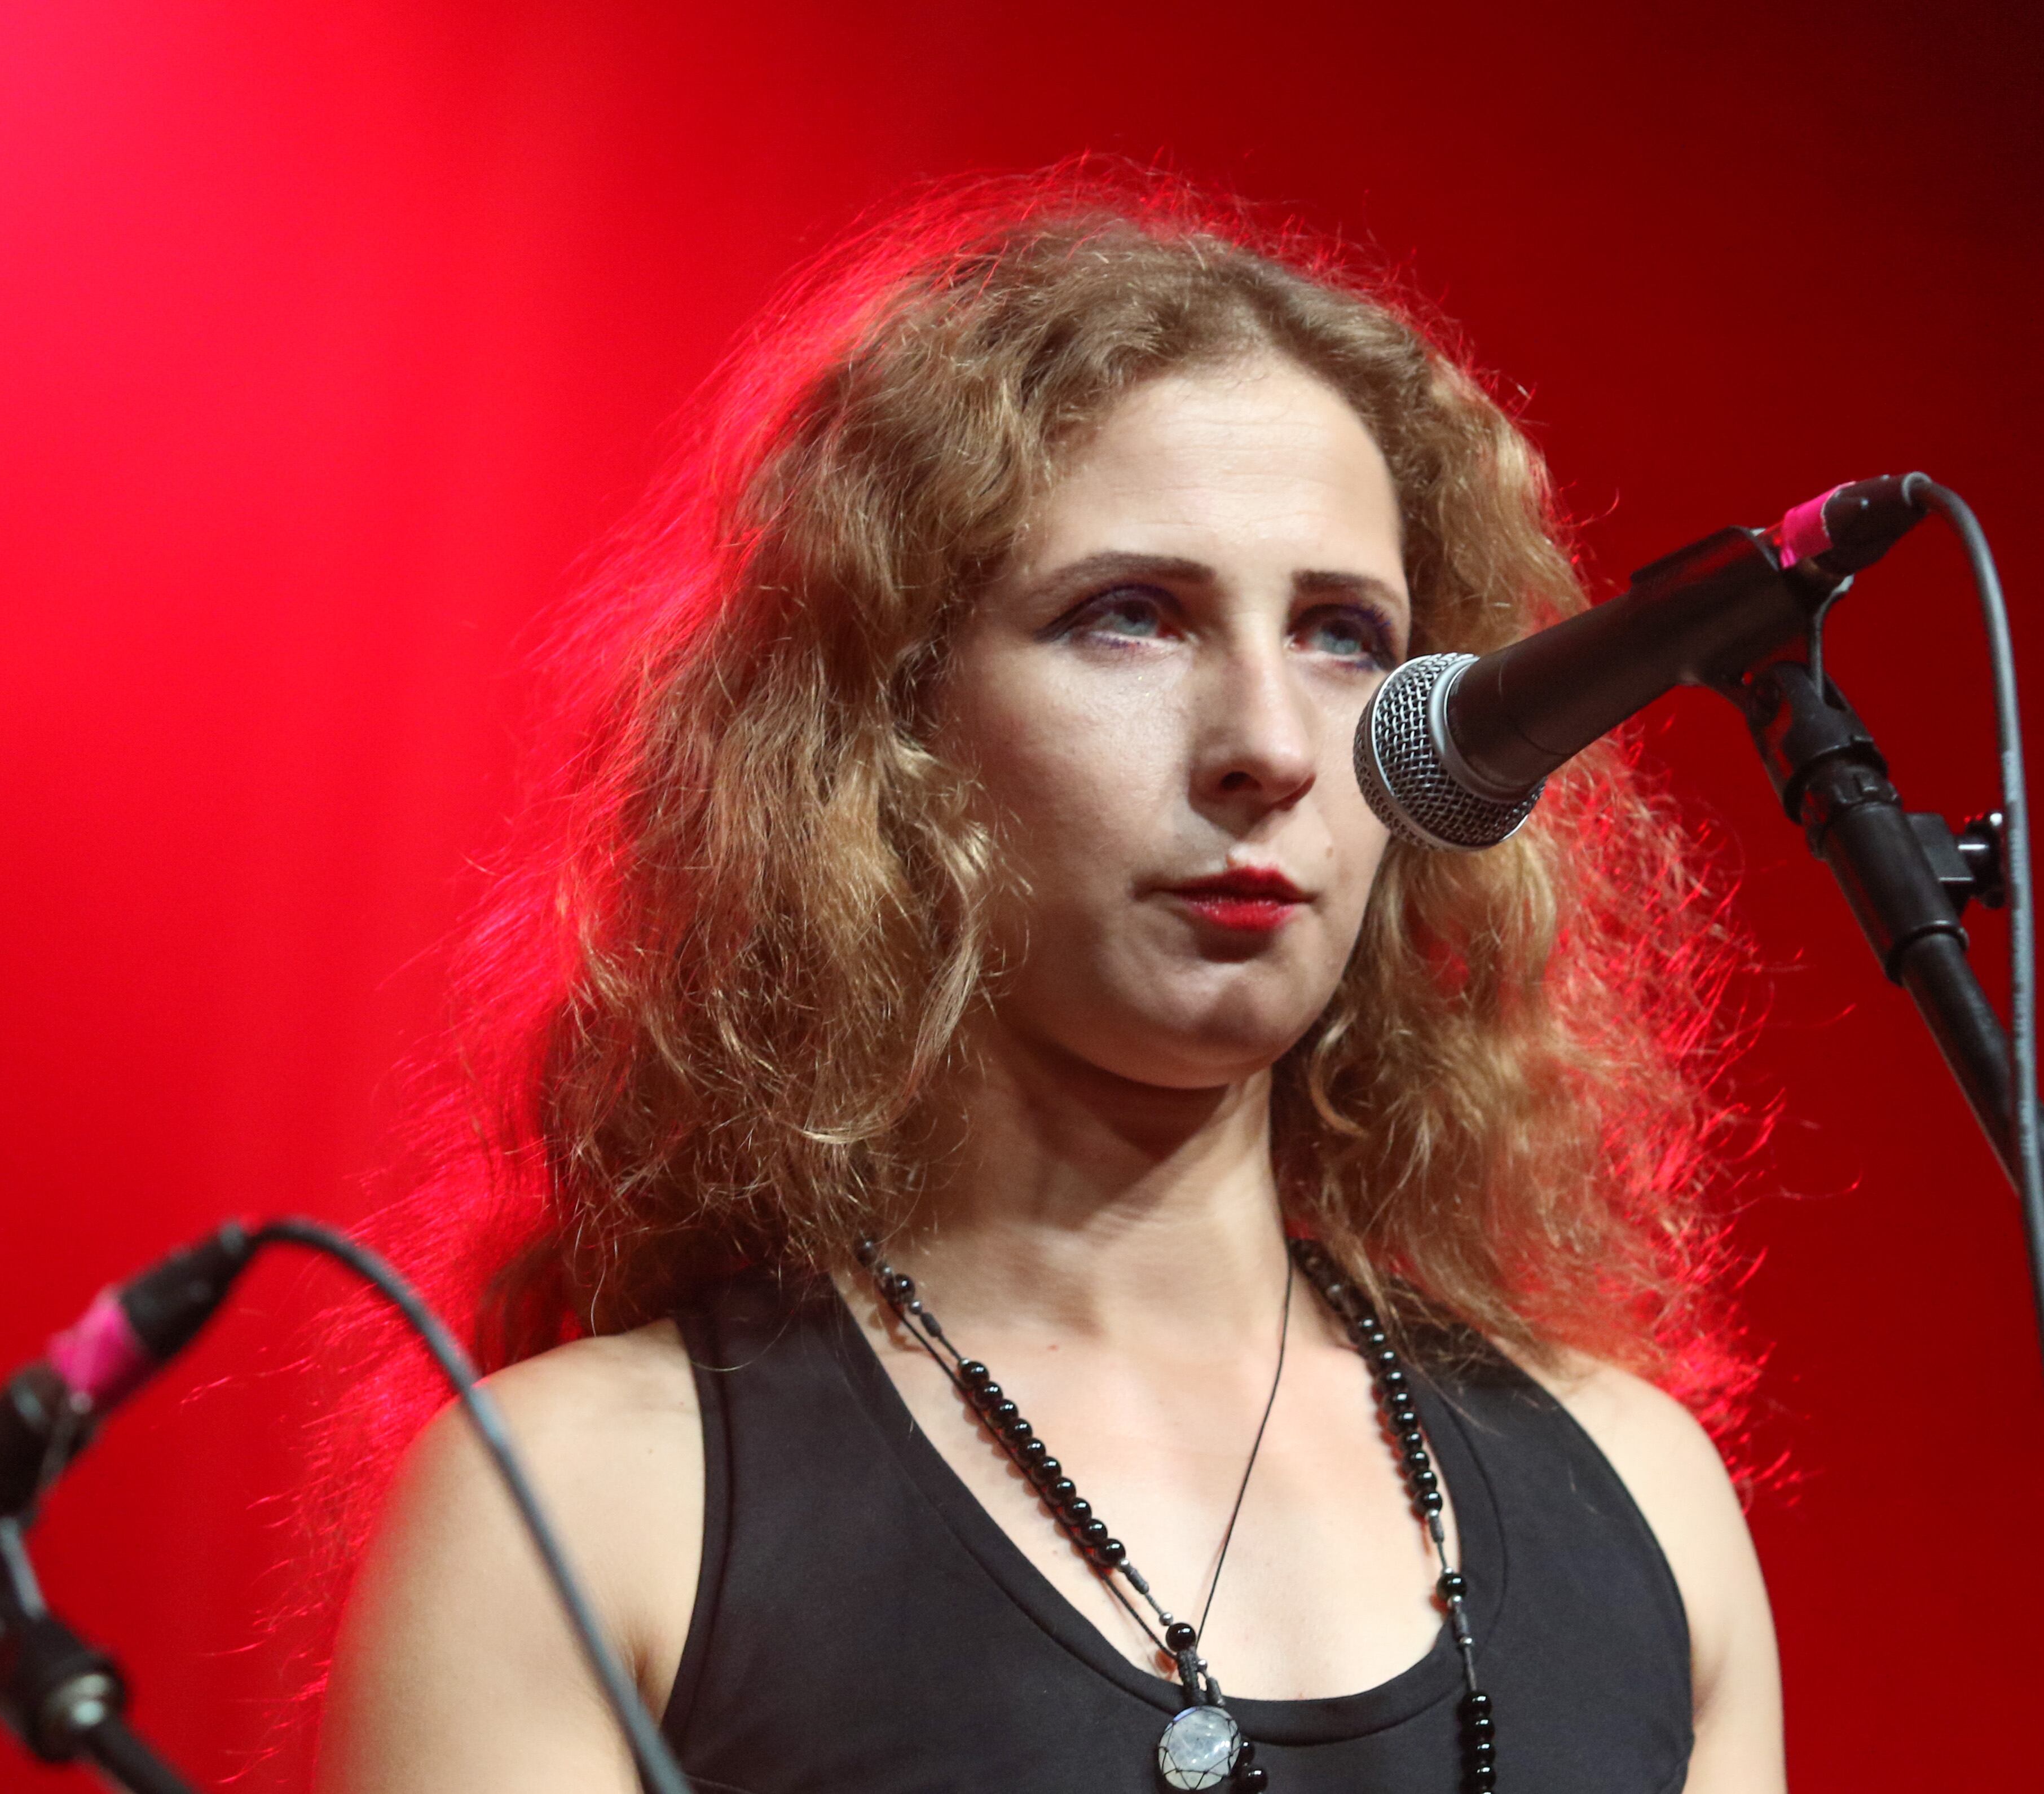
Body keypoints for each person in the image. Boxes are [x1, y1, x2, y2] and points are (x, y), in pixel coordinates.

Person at [312, 171, 1781, 1794]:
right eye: (1129, 619)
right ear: (885, 732)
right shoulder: (591, 1507)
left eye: (1344, 636)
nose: (1268, 748)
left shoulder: (1635, 1500)